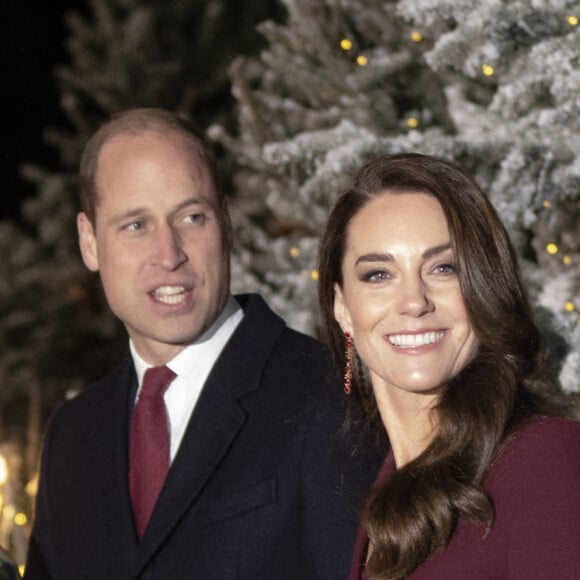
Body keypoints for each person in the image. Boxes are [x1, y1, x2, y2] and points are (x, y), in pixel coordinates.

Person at [24, 108, 379, 580]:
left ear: (225, 224)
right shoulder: (72, 435)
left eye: (192, 217)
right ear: (90, 242)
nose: (169, 255)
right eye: (136, 225)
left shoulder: (327, 396)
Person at [318, 153, 580, 579]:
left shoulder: (548, 460)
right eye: (379, 275)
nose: (414, 301)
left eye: (443, 268)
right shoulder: (376, 497)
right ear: (343, 307)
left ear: (482, 288)